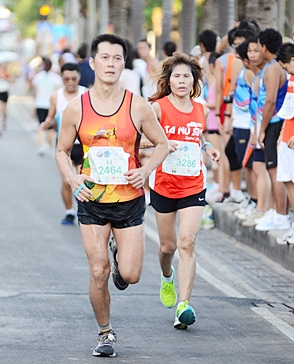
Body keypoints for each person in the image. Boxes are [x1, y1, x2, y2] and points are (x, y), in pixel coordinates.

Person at [55, 34, 169, 357]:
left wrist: (146, 172)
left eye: (116, 58)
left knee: (130, 275)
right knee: (97, 269)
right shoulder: (76, 108)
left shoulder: (138, 105)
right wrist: (72, 178)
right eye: (103, 58)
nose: (110, 64)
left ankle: (120, 259)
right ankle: (105, 333)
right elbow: (62, 151)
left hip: (129, 199)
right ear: (91, 63)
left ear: (124, 64)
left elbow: (161, 144)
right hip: (91, 199)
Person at [147, 52, 220, 330]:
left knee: (187, 242)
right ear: (169, 80)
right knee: (168, 247)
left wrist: (208, 148)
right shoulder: (158, 108)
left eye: (186, 76)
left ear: (193, 81)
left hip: (193, 184)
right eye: (176, 76)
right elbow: (140, 139)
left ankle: (184, 306)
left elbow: (196, 135)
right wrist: (163, 143)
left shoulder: (200, 108)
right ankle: (167, 277)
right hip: (164, 185)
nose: (181, 80)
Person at [41, 62, 87, 225]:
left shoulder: (86, 93)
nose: (70, 82)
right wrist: (46, 123)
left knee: (83, 180)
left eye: (74, 78)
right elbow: (51, 114)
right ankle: (69, 212)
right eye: (66, 78)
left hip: (83, 144)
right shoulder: (56, 96)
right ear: (62, 78)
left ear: (78, 77)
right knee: (67, 180)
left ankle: (84, 211)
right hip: (63, 144)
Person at [255, 28, 289, 231]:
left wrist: (262, 129)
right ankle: (279, 213)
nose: (257, 50)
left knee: (274, 169)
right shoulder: (276, 66)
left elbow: (269, 102)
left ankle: (280, 214)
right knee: (275, 169)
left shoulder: (273, 68)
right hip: (278, 123)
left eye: (258, 46)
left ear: (264, 47)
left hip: (275, 123)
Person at [275, 42, 294, 244]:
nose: (285, 71)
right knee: (288, 181)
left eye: (286, 66)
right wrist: (282, 132)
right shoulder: (291, 78)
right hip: (287, 139)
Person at [31, 57, 63, 155]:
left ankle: (41, 145)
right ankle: (50, 145)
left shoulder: (38, 76)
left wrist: (34, 102)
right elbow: (59, 91)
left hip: (40, 103)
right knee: (51, 127)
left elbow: (35, 91)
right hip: (51, 104)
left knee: (41, 124)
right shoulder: (56, 77)